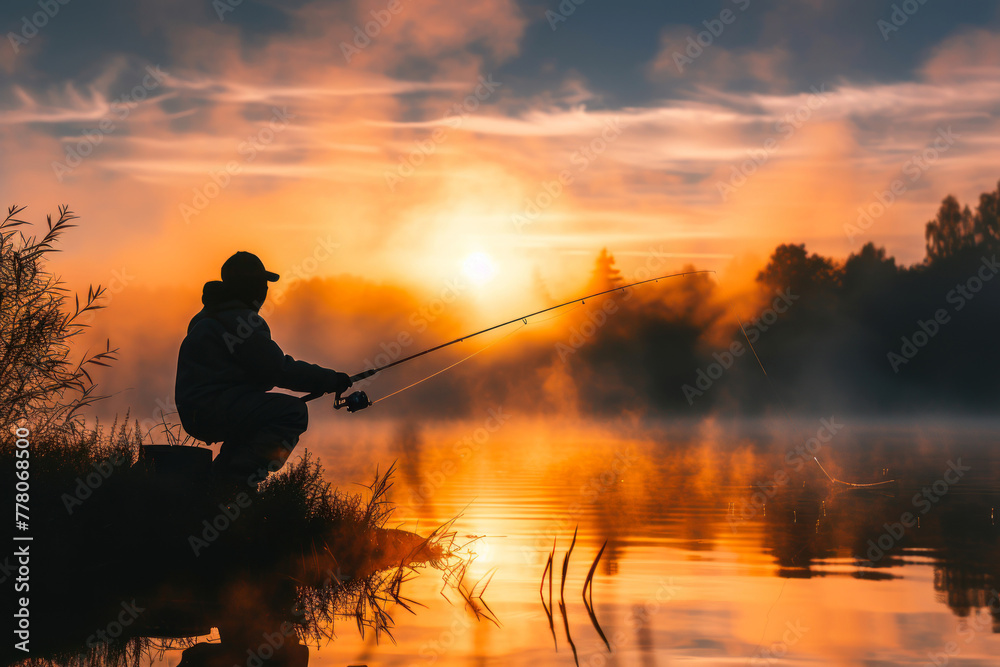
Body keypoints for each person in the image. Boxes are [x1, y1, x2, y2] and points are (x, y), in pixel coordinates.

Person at [175, 251, 351, 491]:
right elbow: (278, 370)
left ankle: (217, 483)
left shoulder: (207, 317)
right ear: (252, 287)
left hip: (198, 409)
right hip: (212, 408)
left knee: (257, 418)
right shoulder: (241, 322)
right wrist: (330, 379)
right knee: (292, 412)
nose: (266, 291)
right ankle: (232, 484)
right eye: (262, 284)